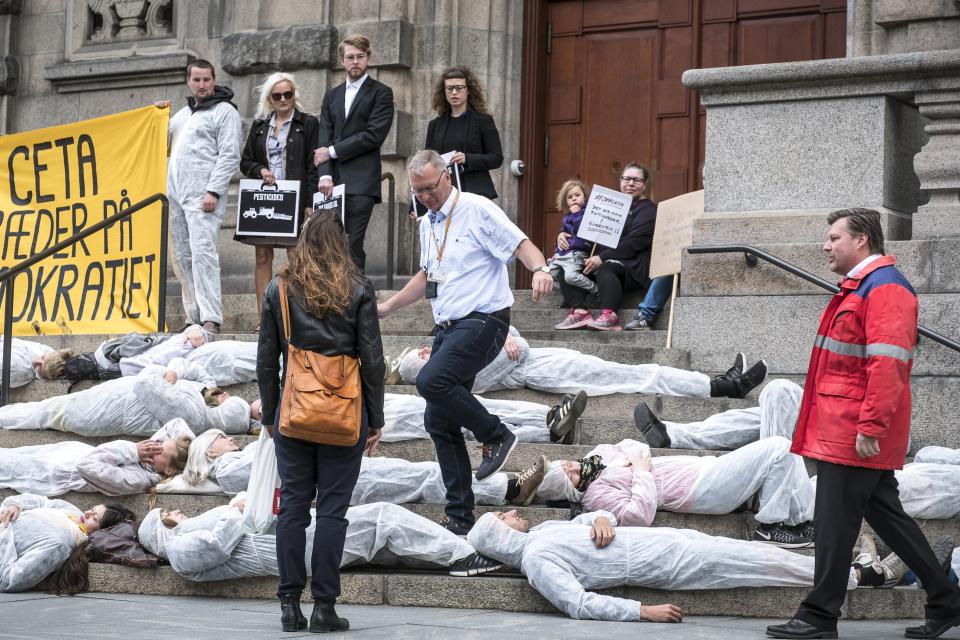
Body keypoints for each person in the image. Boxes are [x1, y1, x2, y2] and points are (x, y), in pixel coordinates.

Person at [767, 208, 960, 640]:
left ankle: (819, 615)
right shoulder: (866, 286)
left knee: (834, 521)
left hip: (854, 431)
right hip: (847, 426)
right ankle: (946, 599)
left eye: (834, 237)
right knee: (887, 517)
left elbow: (887, 366)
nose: (826, 245)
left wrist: (871, 427)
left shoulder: (885, 289)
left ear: (862, 241)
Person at [377, 149, 555, 536]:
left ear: (446, 177)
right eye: (417, 191)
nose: (425, 197)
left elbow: (520, 243)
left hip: (485, 320)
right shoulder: (427, 225)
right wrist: (389, 306)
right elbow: (429, 276)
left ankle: (496, 434)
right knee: (437, 419)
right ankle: (459, 514)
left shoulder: (476, 208)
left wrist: (540, 268)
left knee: (429, 381)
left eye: (429, 188)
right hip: (448, 327)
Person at [257, 210, 385, 632]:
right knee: (333, 510)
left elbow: (265, 362)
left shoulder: (279, 287)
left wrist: (272, 415)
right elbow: (373, 362)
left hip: (293, 413)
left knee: (293, 506)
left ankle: (289, 604)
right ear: (340, 244)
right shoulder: (360, 289)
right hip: (345, 415)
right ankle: (324, 608)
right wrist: (375, 419)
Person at [467, 510, 858, 623]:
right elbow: (579, 604)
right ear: (499, 537)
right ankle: (856, 576)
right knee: (759, 561)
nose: (514, 512)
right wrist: (641, 611)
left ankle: (847, 568)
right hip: (666, 564)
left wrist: (602, 518)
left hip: (667, 538)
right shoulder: (537, 561)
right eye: (504, 516)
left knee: (748, 552)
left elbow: (589, 519)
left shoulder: (545, 531)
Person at [138, 500, 502, 608]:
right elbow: (216, 545)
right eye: (167, 513)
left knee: (382, 539)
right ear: (162, 529)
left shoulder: (185, 536)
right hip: (296, 548)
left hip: (295, 539)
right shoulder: (179, 549)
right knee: (382, 517)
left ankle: (468, 548)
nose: (175, 511)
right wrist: (237, 510)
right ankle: (463, 557)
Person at [539, 437, 814, 546]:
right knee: (780, 446)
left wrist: (635, 463)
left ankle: (804, 518)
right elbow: (638, 516)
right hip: (699, 489)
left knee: (804, 468)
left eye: (567, 463)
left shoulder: (597, 458)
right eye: (570, 474)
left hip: (707, 469)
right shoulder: (595, 496)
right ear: (571, 491)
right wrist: (641, 473)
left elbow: (636, 446)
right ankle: (773, 526)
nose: (574, 466)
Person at [398, 329, 768, 400]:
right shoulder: (468, 377)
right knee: (640, 375)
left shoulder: (464, 361)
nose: (431, 350)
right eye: (426, 356)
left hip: (550, 361)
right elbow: (520, 346)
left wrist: (504, 334)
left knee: (637, 374)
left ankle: (719, 383)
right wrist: (506, 336)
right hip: (547, 372)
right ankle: (722, 386)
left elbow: (501, 327)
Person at [164, 59, 242, 334]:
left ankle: (211, 316)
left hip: (203, 195)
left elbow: (230, 154)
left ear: (214, 80)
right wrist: (157, 118)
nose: (201, 84)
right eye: (196, 80)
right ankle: (192, 315)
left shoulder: (224, 112)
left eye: (206, 80)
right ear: (188, 81)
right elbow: (161, 143)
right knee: (183, 257)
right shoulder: (183, 115)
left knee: (203, 254)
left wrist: (214, 190)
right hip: (176, 194)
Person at [240, 72, 319, 318]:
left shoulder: (307, 123)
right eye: (278, 95)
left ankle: (296, 317)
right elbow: (246, 161)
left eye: (288, 94)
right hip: (265, 199)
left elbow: (312, 165)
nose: (283, 99)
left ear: (294, 95)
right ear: (270, 99)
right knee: (262, 256)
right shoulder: (260, 124)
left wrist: (309, 203)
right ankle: (264, 318)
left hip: (294, 199)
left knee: (296, 257)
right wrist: (260, 170)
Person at [314, 34, 395, 271]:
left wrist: (332, 151)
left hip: (361, 182)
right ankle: (332, 301)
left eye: (360, 56)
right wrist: (324, 174)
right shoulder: (332, 95)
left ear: (369, 58)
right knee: (328, 245)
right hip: (331, 183)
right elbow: (324, 135)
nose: (355, 61)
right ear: (342, 61)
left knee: (352, 243)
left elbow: (373, 136)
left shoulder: (381, 92)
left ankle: (354, 302)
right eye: (350, 57)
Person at [0, 359, 251, 436]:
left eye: (228, 399)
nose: (225, 393)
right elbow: (194, 367)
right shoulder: (207, 396)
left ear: (223, 412)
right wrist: (174, 371)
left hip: (104, 412)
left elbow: (146, 382)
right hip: (115, 396)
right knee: (45, 407)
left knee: (45, 412)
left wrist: (164, 373)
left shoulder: (194, 416)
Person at [555, 162, 655, 331]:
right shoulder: (612, 208)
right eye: (627, 179)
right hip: (600, 260)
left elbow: (634, 243)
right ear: (621, 181)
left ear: (644, 185)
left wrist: (602, 257)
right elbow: (586, 234)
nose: (631, 183)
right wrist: (563, 235)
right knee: (568, 268)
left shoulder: (649, 209)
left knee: (606, 268)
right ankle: (580, 311)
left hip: (631, 266)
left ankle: (609, 315)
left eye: (636, 180)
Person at [0, 419, 192, 496]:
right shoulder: (151, 458)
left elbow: (87, 465)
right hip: (57, 453)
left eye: (160, 450)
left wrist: (132, 451)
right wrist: (198, 452)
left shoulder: (137, 480)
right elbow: (176, 423)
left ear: (168, 469)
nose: (154, 445)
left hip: (51, 472)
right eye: (159, 442)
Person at [0, 493, 134, 593]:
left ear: (100, 533)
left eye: (94, 518)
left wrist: (4, 528)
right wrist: (15, 506)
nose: (87, 513)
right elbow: (42, 501)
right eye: (92, 508)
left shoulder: (59, 545)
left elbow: (9, 580)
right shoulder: (73, 511)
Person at [634, 378, 802, 450]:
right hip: (816, 412)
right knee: (746, 418)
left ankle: (776, 477)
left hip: (825, 425)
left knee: (782, 391)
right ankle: (672, 435)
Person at [380, 388, 586, 445]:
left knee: (479, 408)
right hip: (390, 421)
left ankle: (552, 418)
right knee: (471, 425)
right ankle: (551, 432)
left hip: (394, 408)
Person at [424, 66, 503, 200]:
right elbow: (427, 165)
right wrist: (417, 206)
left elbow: (496, 158)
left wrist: (467, 158)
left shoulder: (483, 121)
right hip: (443, 195)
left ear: (468, 91)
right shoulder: (435, 125)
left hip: (475, 193)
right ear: (444, 92)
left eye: (459, 88)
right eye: (449, 88)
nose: (454, 92)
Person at [547, 180, 598, 299]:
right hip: (562, 254)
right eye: (570, 197)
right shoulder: (567, 216)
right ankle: (566, 295)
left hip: (576, 254)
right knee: (545, 274)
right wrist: (556, 251)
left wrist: (577, 214)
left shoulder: (588, 213)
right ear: (566, 201)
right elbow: (563, 234)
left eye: (577, 195)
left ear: (585, 196)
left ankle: (595, 289)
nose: (574, 199)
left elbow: (583, 231)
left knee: (570, 277)